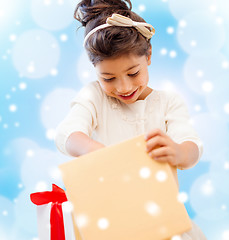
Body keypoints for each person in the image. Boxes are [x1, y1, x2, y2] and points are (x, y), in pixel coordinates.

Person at [55, 0, 206, 239]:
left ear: (148, 55)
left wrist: (179, 152)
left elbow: (192, 146)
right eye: (108, 78)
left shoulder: (167, 103)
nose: (123, 87)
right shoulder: (94, 97)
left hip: (163, 225)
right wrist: (100, 153)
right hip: (111, 224)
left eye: (133, 73)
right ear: (95, 71)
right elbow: (66, 134)